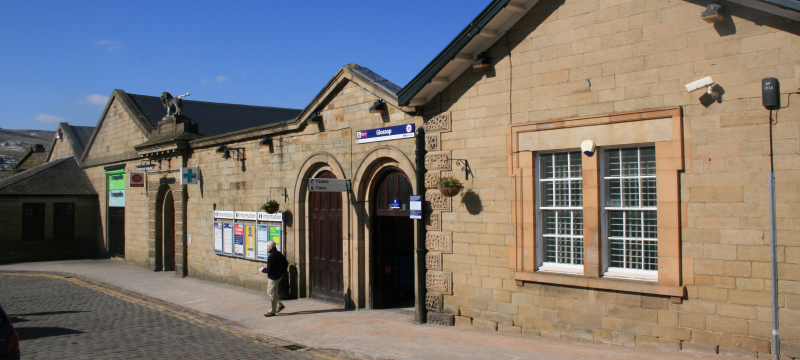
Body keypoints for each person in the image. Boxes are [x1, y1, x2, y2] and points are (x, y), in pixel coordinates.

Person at [259, 240, 287, 317]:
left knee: (272, 292)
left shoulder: (272, 256)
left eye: (268, 247)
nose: (267, 248)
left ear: (271, 247)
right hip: (278, 276)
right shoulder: (279, 254)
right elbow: (286, 263)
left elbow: (270, 268)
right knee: (271, 291)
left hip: (273, 277)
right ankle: (279, 304)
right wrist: (283, 272)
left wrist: (263, 270)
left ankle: (272, 311)